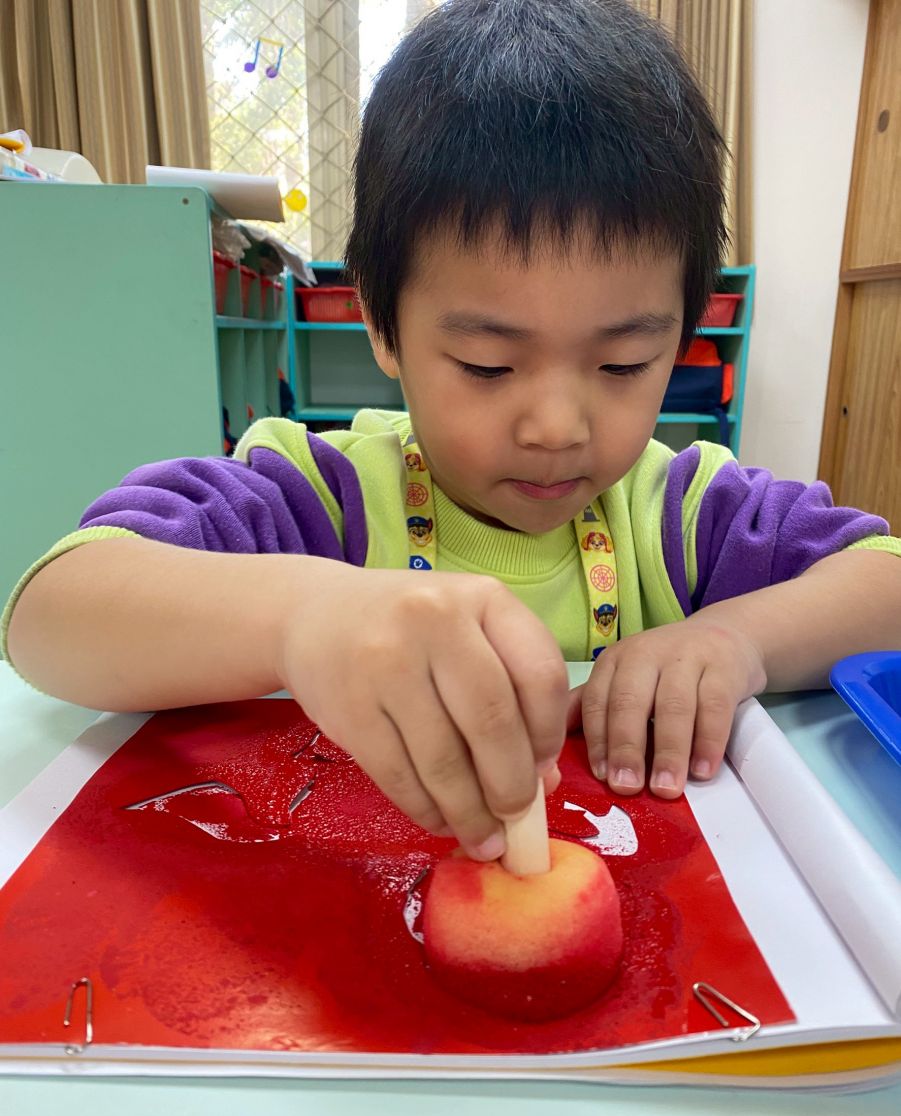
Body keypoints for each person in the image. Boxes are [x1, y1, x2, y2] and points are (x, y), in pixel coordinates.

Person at [4, 0, 900, 865]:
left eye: (623, 363)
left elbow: (883, 581)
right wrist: (303, 619)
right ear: (382, 325)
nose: (556, 427)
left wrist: (733, 641)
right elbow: (51, 614)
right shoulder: (318, 500)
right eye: (487, 364)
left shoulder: (682, 513)